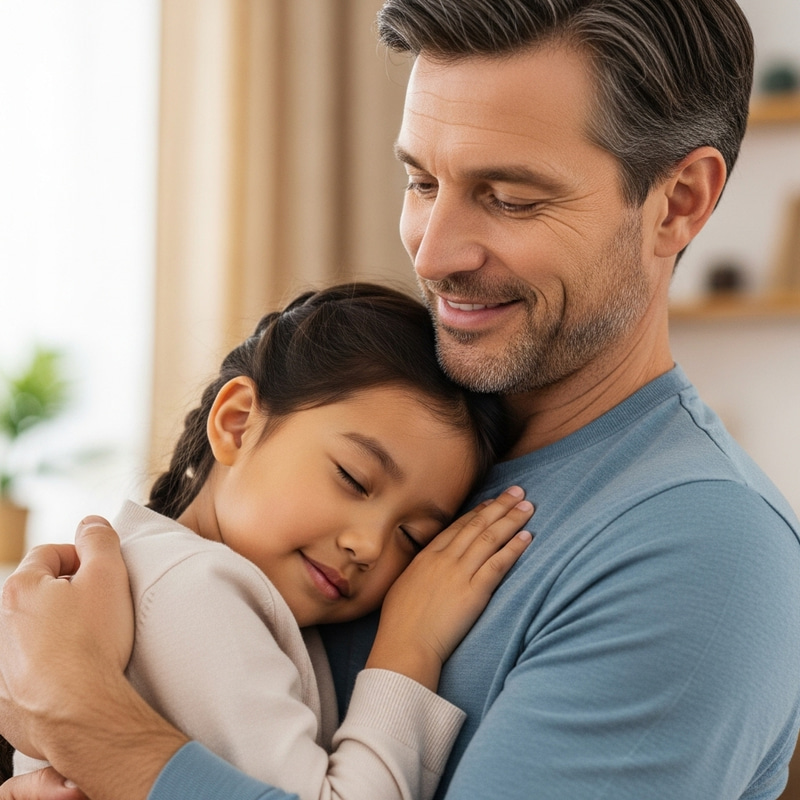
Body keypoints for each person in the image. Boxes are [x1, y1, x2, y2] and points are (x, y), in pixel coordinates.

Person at [1, 0, 799, 798]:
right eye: (421, 181)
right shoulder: (405, 443)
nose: (433, 251)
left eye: (510, 198)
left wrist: (81, 718)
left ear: (679, 201)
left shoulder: (707, 555)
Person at [8, 282, 534, 799]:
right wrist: (410, 646)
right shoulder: (196, 589)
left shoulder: (178, 575)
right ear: (237, 424)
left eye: (412, 537)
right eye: (353, 478)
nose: (371, 547)